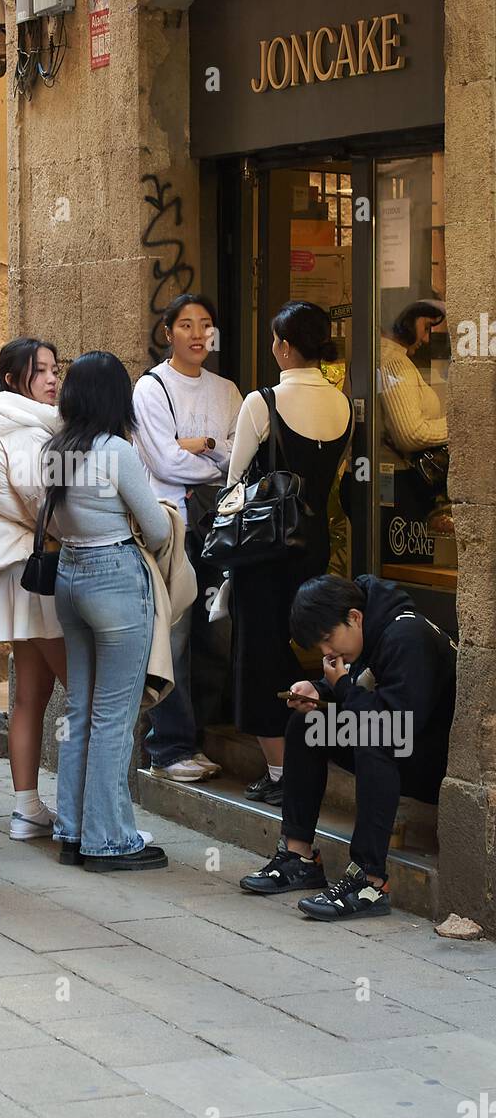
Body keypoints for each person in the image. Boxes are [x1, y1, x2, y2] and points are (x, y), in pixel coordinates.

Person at [240, 573, 456, 921]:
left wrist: (338, 687)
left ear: (354, 617)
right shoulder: (370, 627)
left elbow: (391, 725)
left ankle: (369, 881)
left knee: (373, 736)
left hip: (436, 764)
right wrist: (319, 689)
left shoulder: (407, 637)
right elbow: (365, 687)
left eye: (328, 640)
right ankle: (299, 857)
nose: (327, 653)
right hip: (402, 740)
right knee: (307, 723)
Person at [46, 351, 171, 872]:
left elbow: (48, 524)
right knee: (114, 718)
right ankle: (108, 839)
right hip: (115, 579)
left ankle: (72, 830)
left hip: (69, 578)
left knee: (79, 712)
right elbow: (158, 529)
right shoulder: (115, 450)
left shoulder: (56, 449)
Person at [228, 301, 352, 806]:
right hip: (315, 542)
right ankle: (308, 762)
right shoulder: (343, 404)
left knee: (259, 653)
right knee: (305, 647)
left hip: (264, 548)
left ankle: (281, 772)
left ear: (282, 345)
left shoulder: (262, 402)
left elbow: (234, 485)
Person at [133, 294, 242, 782]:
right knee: (173, 636)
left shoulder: (228, 391)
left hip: (219, 525)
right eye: (185, 324)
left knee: (215, 632)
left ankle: (201, 734)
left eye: (206, 324)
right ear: (167, 332)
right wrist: (210, 460)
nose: (198, 334)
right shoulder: (152, 388)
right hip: (173, 524)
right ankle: (169, 747)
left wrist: (204, 445)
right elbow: (162, 462)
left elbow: (239, 459)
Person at [0, 337, 66, 841]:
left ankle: (28, 808)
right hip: (39, 572)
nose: (52, 380)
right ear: (11, 379)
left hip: (18, 572)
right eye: (40, 371)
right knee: (85, 689)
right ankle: (83, 809)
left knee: (30, 693)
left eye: (55, 369)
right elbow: (46, 507)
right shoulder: (23, 434)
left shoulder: (2, 427)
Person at [380, 300, 451, 534]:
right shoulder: (393, 361)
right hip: (398, 482)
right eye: (427, 327)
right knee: (403, 568)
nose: (427, 338)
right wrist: (457, 428)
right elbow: (411, 434)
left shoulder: (390, 357)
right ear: (407, 319)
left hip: (393, 480)